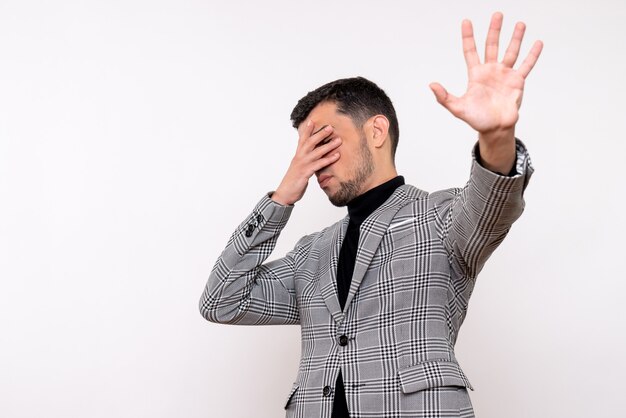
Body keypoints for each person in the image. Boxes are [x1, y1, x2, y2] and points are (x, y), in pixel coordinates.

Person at [199, 12, 543, 418]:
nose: (313, 162)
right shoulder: (311, 253)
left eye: (324, 142)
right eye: (304, 151)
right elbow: (222, 300)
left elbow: (492, 202)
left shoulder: (441, 218)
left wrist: (496, 135)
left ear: (376, 132)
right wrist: (283, 195)